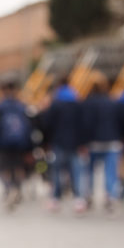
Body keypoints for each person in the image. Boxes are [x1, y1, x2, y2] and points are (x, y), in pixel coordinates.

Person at [41, 77, 87, 213]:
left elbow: (46, 124)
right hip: (75, 143)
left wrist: (46, 142)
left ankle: (55, 199)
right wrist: (82, 142)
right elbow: (83, 125)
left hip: (58, 142)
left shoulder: (55, 104)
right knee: (76, 172)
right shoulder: (77, 103)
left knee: (56, 172)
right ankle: (79, 200)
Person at [81, 75, 124, 213]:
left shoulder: (87, 103)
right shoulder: (114, 102)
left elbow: (85, 124)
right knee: (111, 172)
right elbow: (122, 122)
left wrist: (83, 141)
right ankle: (111, 198)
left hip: (92, 142)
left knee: (88, 171)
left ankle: (88, 195)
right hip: (112, 141)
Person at [0, 80, 34, 209]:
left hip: (3, 142)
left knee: (5, 167)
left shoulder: (0, 107)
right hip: (21, 142)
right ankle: (17, 188)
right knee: (19, 166)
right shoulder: (22, 106)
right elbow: (29, 126)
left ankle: (9, 188)